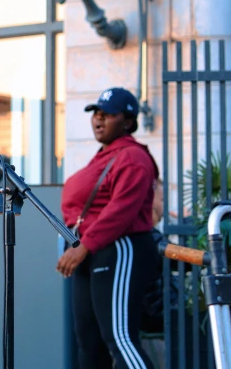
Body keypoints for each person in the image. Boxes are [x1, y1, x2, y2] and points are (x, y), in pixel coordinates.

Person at [57, 87, 159, 369]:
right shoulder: (106, 155)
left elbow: (121, 210)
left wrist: (84, 246)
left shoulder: (132, 157)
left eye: (108, 115)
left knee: (119, 338)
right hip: (91, 250)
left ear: (127, 121)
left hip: (118, 247)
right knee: (89, 343)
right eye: (96, 114)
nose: (98, 120)